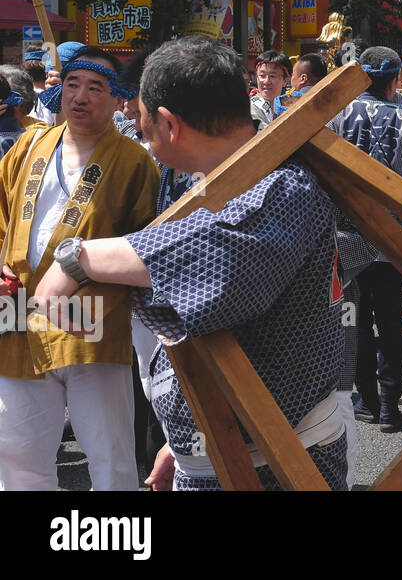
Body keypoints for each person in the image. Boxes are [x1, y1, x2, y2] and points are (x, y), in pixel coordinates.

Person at [31, 37, 347, 490]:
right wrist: (182, 443)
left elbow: (213, 256)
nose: (140, 134)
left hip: (277, 456)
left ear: (168, 123)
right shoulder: (199, 180)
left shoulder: (282, 187)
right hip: (215, 440)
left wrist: (76, 258)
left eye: (141, 124)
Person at [0, 46, 161, 490]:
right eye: (72, 84)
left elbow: (144, 245)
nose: (81, 96)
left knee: (108, 453)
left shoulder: (134, 162)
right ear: (59, 92)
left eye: (96, 87)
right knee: (17, 452)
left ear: (117, 99)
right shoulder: (27, 147)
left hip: (92, 318)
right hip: (15, 315)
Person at [328, 46, 402, 433]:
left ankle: (367, 400)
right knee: (391, 321)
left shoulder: (338, 116)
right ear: (394, 81)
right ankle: (390, 404)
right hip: (389, 239)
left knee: (353, 320)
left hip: (345, 237)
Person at [250, 50, 290, 131]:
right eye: (262, 75)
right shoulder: (252, 107)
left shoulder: (291, 105)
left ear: (285, 80)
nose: (266, 81)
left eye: (272, 76)